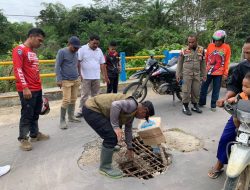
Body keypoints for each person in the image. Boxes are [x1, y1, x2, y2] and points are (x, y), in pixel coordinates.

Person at [82, 93, 155, 178]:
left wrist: (129, 147)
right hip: (91, 109)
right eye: (144, 117)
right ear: (144, 110)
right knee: (111, 136)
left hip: (98, 111)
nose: (142, 118)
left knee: (117, 134)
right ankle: (105, 168)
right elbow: (115, 105)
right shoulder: (132, 105)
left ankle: (110, 147)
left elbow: (128, 130)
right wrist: (116, 127)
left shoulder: (132, 114)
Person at [208, 41, 250, 179]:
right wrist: (225, 99)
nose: (246, 54)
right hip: (244, 112)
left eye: (249, 52)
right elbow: (233, 85)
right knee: (227, 137)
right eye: (245, 51)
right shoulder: (242, 66)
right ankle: (219, 165)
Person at [12, 28, 49, 151]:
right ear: (32, 37)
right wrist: (25, 87)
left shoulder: (32, 51)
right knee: (27, 114)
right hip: (28, 89)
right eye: (39, 40)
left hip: (37, 88)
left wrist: (39, 88)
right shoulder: (19, 50)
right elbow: (18, 69)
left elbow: (34, 71)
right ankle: (23, 139)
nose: (40, 43)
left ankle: (34, 134)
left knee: (35, 113)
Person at [75, 34, 109, 117]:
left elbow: (102, 64)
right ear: (89, 41)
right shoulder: (82, 49)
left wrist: (105, 76)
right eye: (94, 43)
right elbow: (78, 62)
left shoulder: (99, 50)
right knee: (85, 95)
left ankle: (95, 110)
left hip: (96, 76)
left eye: (97, 43)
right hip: (85, 77)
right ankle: (81, 110)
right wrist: (80, 74)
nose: (96, 45)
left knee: (96, 95)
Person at [199, 30, 231, 112]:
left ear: (223, 40)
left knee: (216, 90)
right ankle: (201, 103)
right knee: (203, 88)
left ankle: (213, 105)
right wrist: (203, 70)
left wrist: (225, 73)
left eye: (219, 40)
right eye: (215, 40)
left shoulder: (226, 47)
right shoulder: (210, 46)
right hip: (208, 72)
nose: (217, 42)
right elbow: (206, 58)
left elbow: (227, 61)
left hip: (219, 73)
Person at [55, 36, 82, 129]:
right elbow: (57, 66)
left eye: (77, 48)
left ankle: (71, 117)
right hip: (66, 80)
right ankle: (62, 120)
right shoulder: (62, 52)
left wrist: (79, 75)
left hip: (75, 79)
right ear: (69, 44)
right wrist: (58, 79)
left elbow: (76, 65)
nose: (76, 49)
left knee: (74, 99)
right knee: (66, 100)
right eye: (74, 47)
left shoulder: (76, 52)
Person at [176, 34, 206, 116]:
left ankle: (195, 105)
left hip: (197, 74)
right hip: (186, 74)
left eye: (193, 42)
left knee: (196, 90)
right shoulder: (184, 50)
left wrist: (204, 74)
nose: (190, 44)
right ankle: (185, 106)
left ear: (196, 41)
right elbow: (180, 63)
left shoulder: (201, 50)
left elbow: (203, 63)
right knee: (186, 91)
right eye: (189, 42)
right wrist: (178, 74)